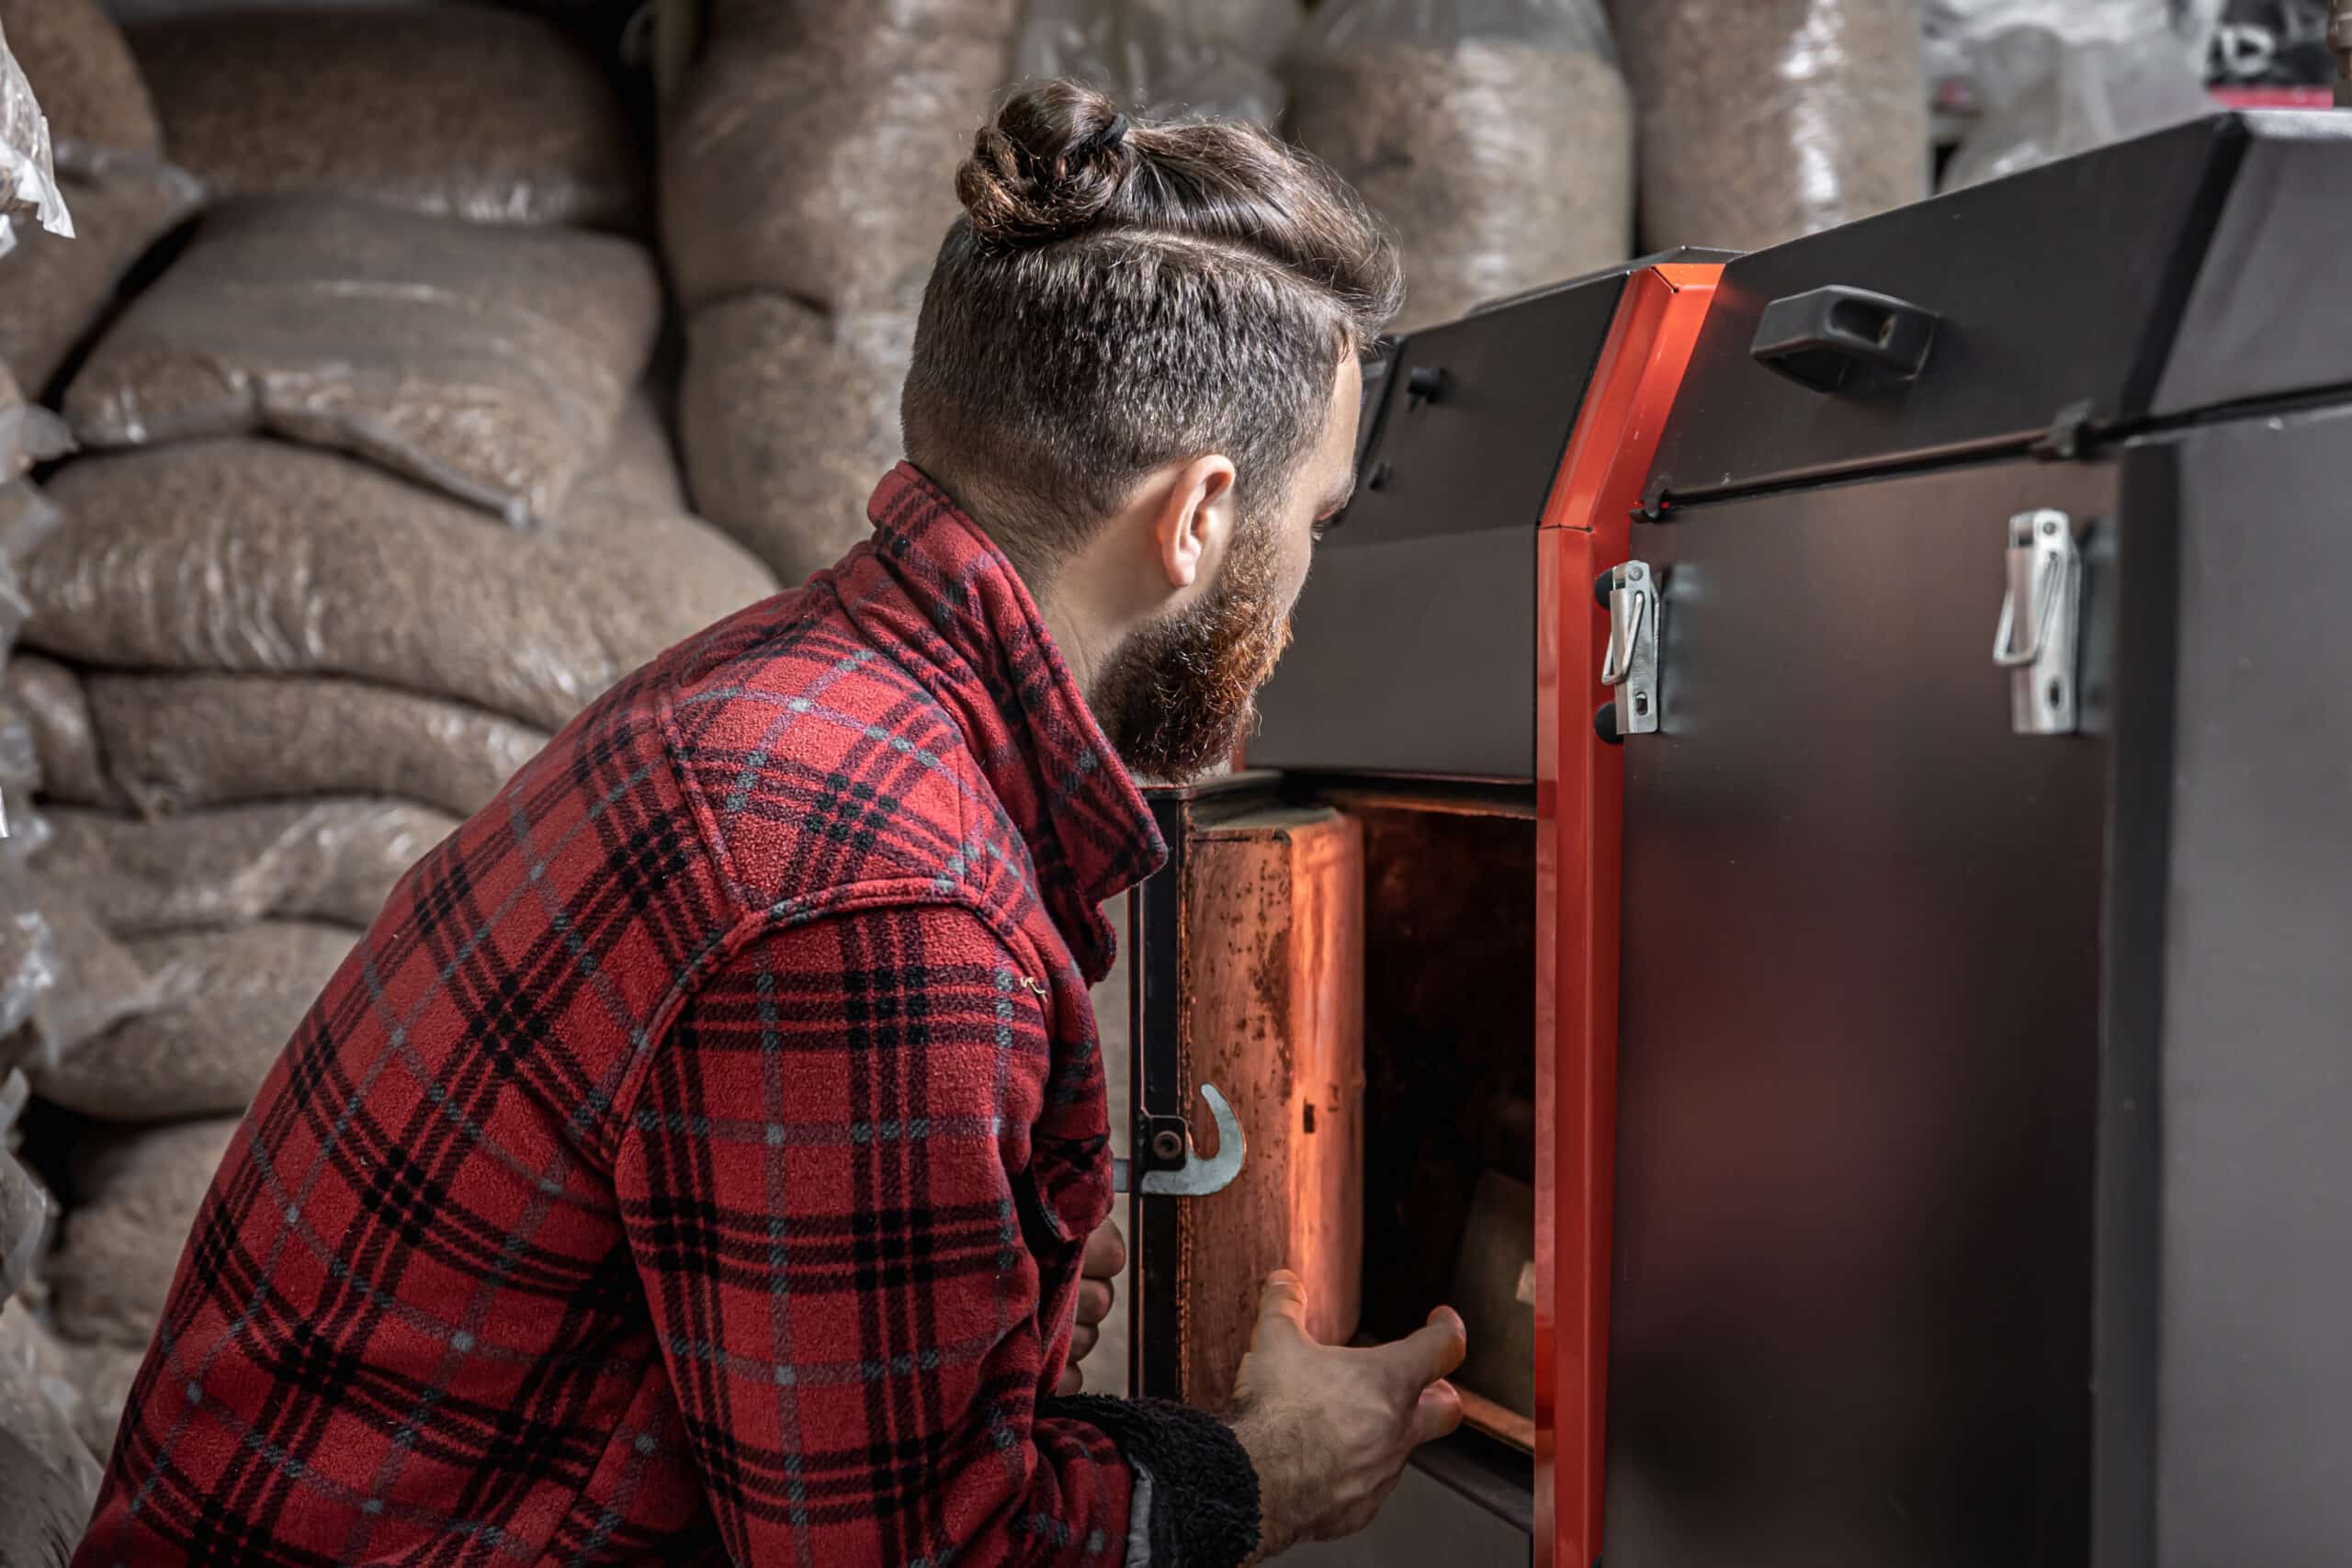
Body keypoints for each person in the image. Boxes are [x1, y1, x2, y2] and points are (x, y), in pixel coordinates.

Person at [74, 79, 1464, 1568]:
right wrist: (1252, 1477)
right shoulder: (886, 896)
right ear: (1195, 518)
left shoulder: (798, 695)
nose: (1300, 595)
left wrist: (961, 1305)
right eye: (1309, 522)